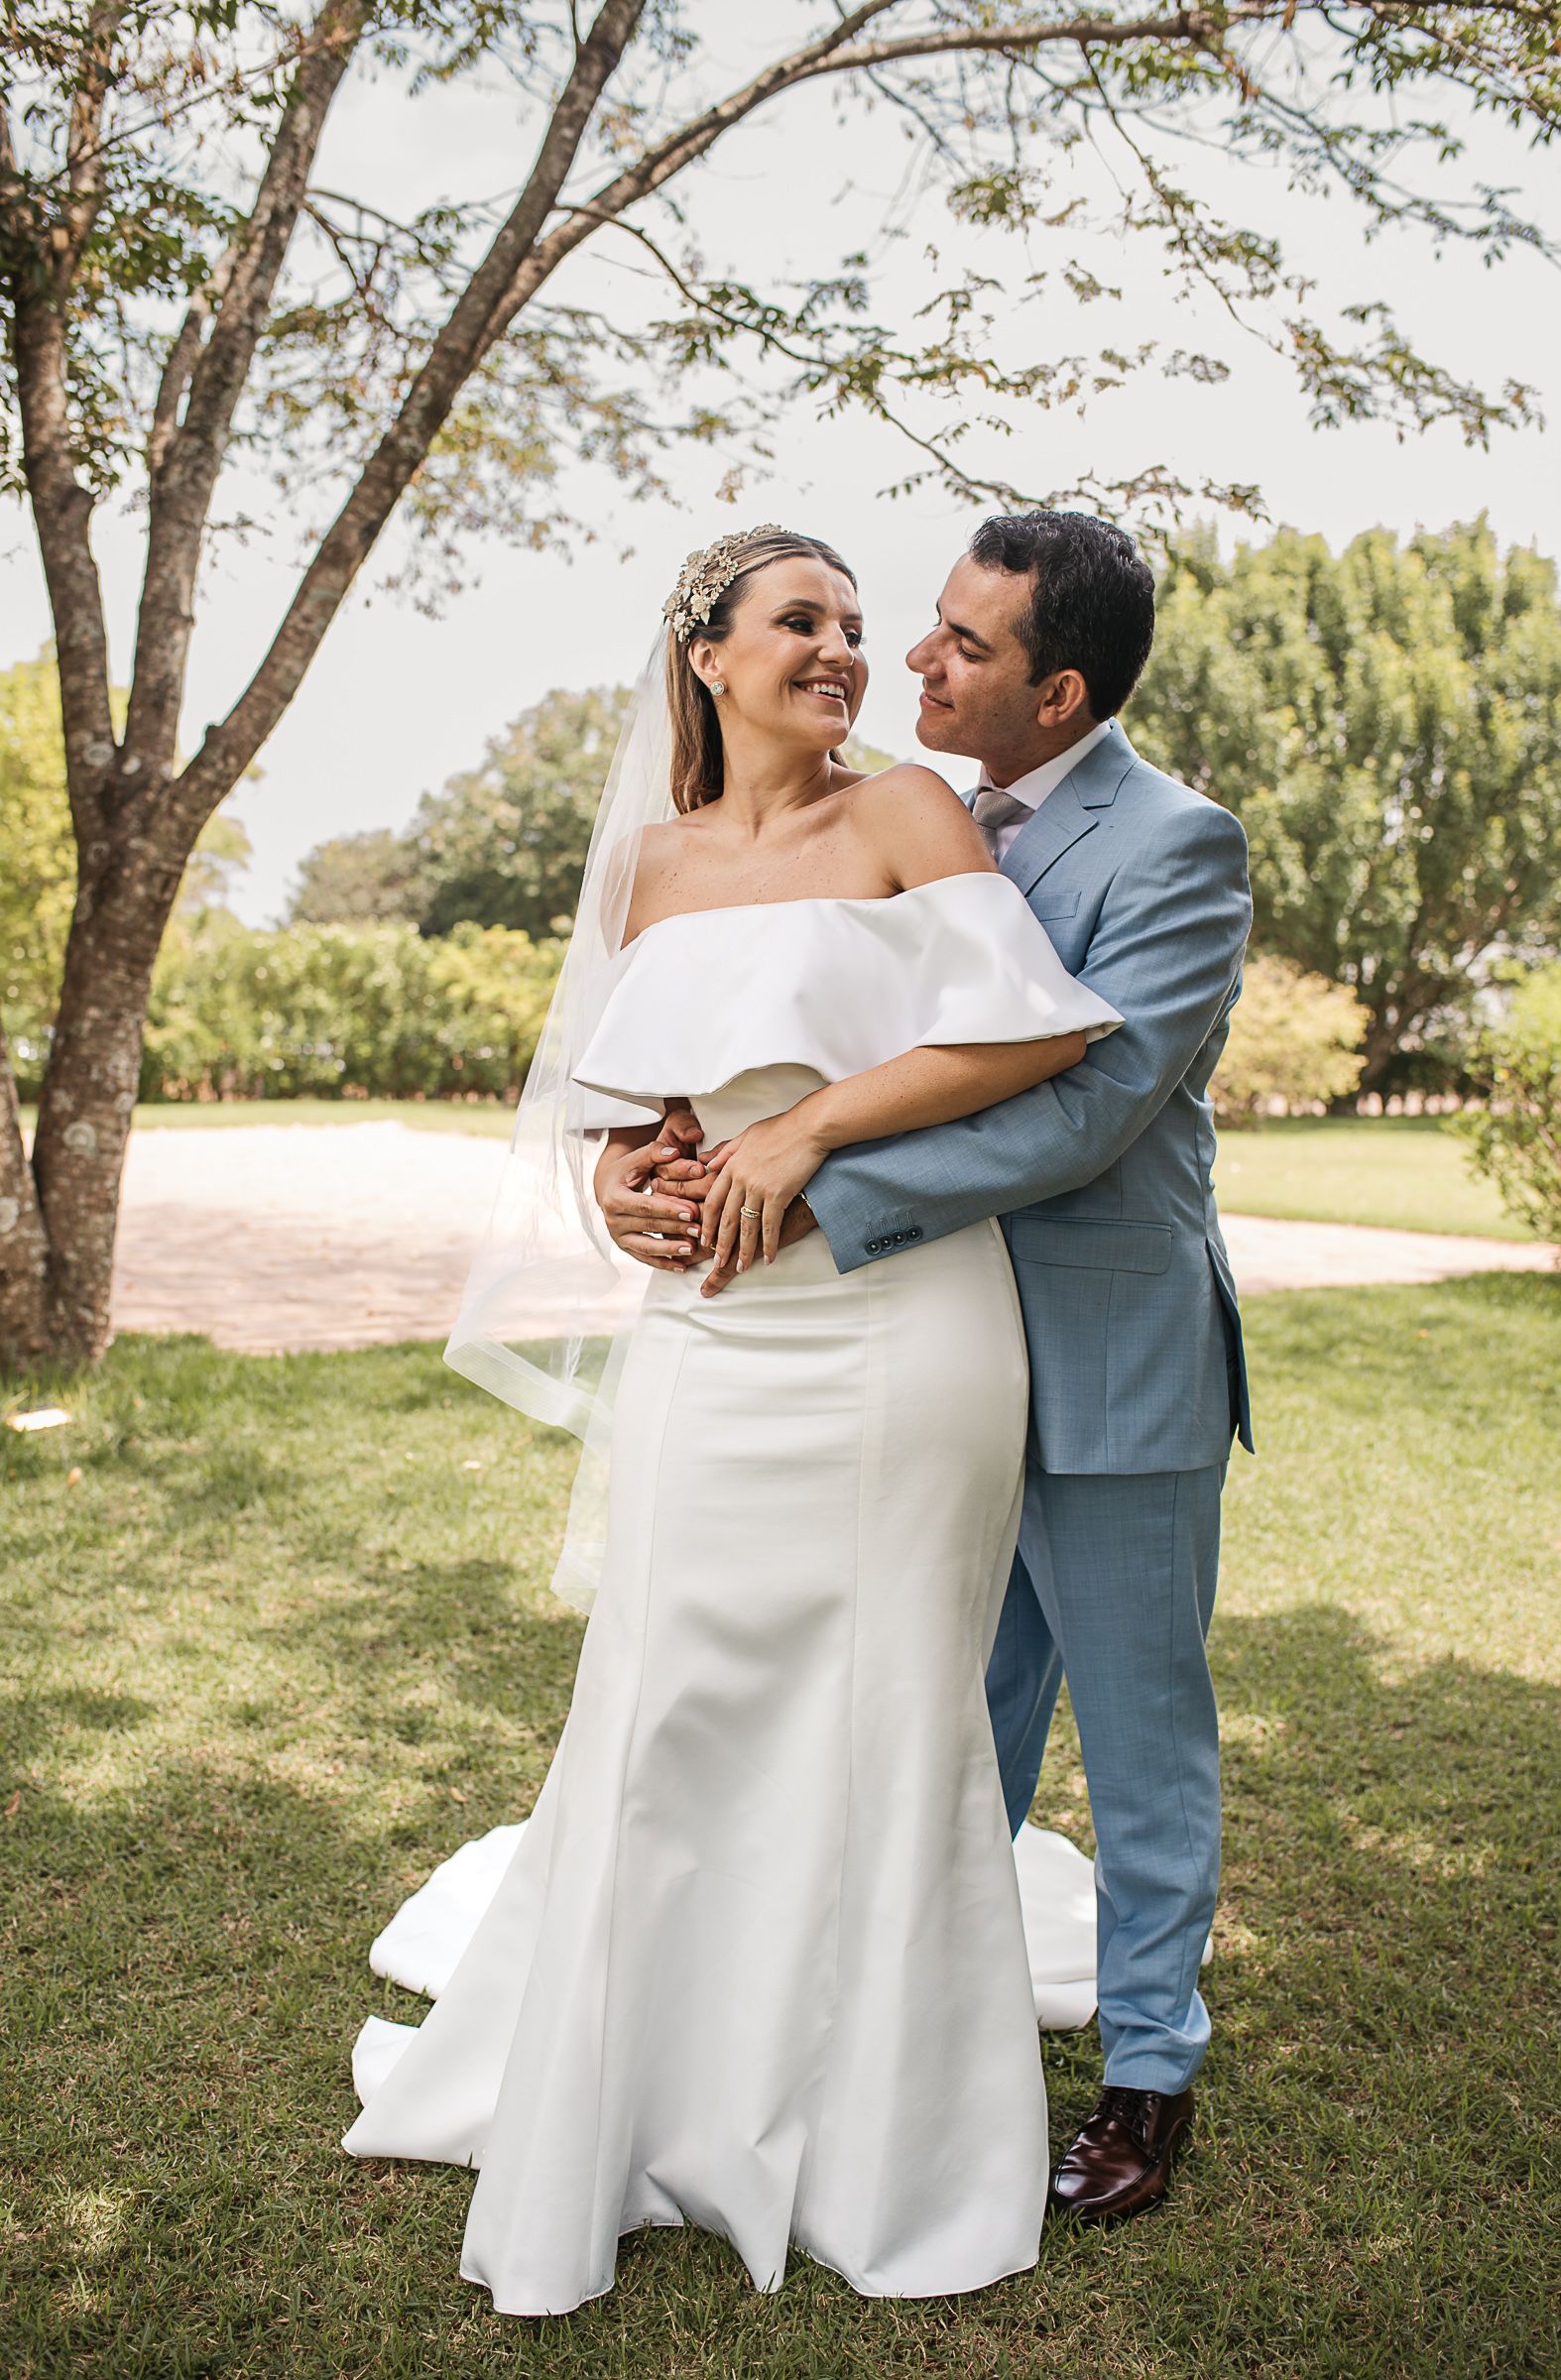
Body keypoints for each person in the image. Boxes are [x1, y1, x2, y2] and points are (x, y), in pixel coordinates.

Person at [342, 526, 1123, 2314]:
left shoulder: (908, 818)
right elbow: (621, 1107)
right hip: (708, 1332)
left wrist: (806, 1132)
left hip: (903, 1330)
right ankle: (638, 2094)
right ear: (704, 654)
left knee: (889, 1703)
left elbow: (1028, 1041)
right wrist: (629, 1181)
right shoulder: (643, 864)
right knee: (667, 1686)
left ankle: (879, 2134)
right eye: (803, 623)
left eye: (858, 627)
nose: (845, 653)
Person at [605, 512, 1255, 2226]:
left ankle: (1145, 2072)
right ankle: (904, 2030)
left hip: (1102, 1354)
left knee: (1136, 1730)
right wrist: (653, 1162)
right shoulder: (907, 813)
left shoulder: (1178, 844)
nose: (912, 661)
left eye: (961, 648)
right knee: (941, 1716)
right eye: (924, 628)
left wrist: (818, 1187)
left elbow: (1088, 1101)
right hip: (918, 1357)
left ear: (1057, 692)